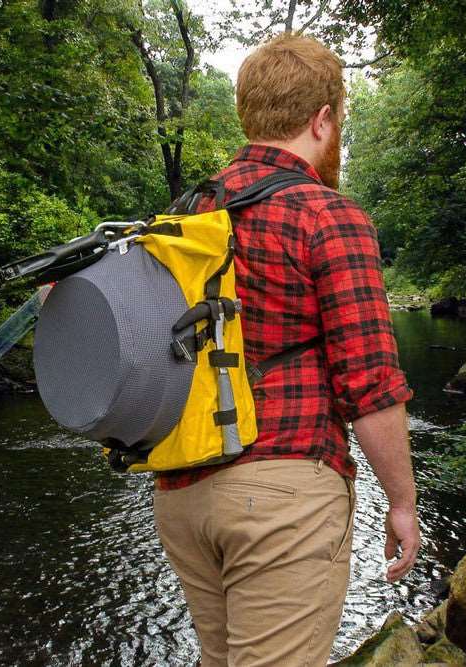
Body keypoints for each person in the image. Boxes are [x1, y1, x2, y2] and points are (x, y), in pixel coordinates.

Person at [153, 33, 420, 667]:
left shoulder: (185, 214)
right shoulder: (326, 214)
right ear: (323, 119)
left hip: (181, 492)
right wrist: (403, 502)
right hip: (283, 492)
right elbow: (371, 383)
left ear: (249, 113)